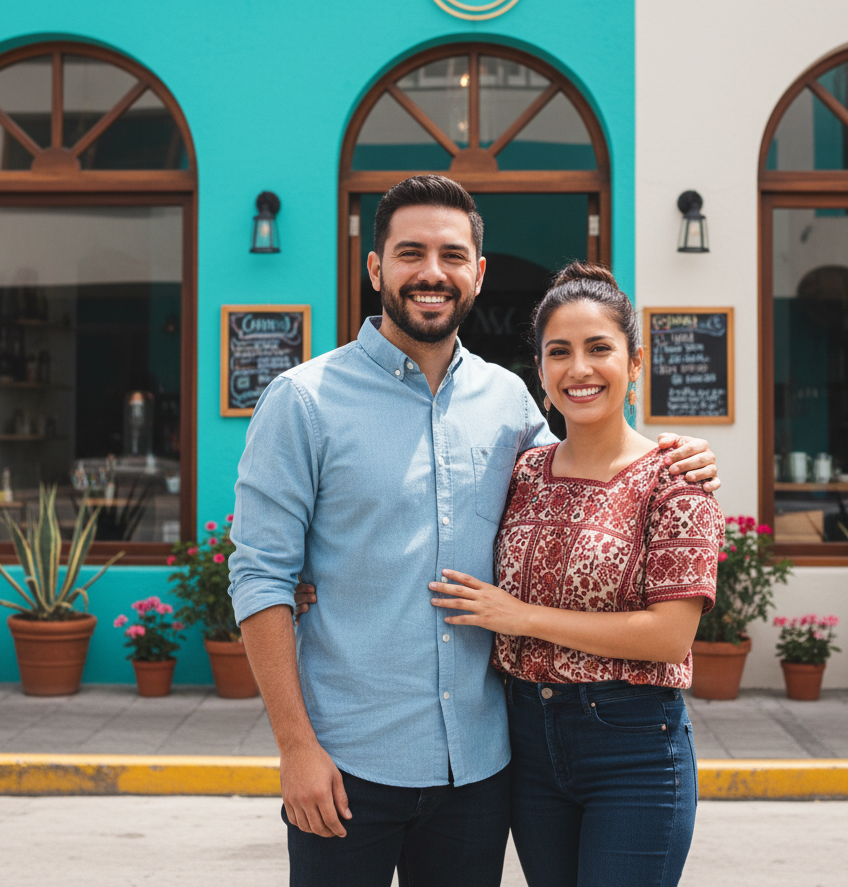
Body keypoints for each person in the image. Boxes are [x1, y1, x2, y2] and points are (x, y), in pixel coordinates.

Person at [228, 175, 719, 887]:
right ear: (376, 268)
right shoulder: (303, 401)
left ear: (478, 273)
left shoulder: (510, 402)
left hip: (481, 770)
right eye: (410, 253)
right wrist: (294, 745)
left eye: (452, 255)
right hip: (348, 761)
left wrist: (681, 455)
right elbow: (260, 576)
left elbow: (592, 468)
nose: (433, 273)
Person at [426, 262, 723, 887]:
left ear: (635, 363)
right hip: (527, 740)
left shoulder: (675, 479)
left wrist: (522, 618)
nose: (578, 369)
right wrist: (313, 578)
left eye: (599, 349)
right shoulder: (522, 472)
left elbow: (671, 637)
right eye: (558, 352)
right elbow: (428, 526)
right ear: (540, 372)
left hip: (634, 744)